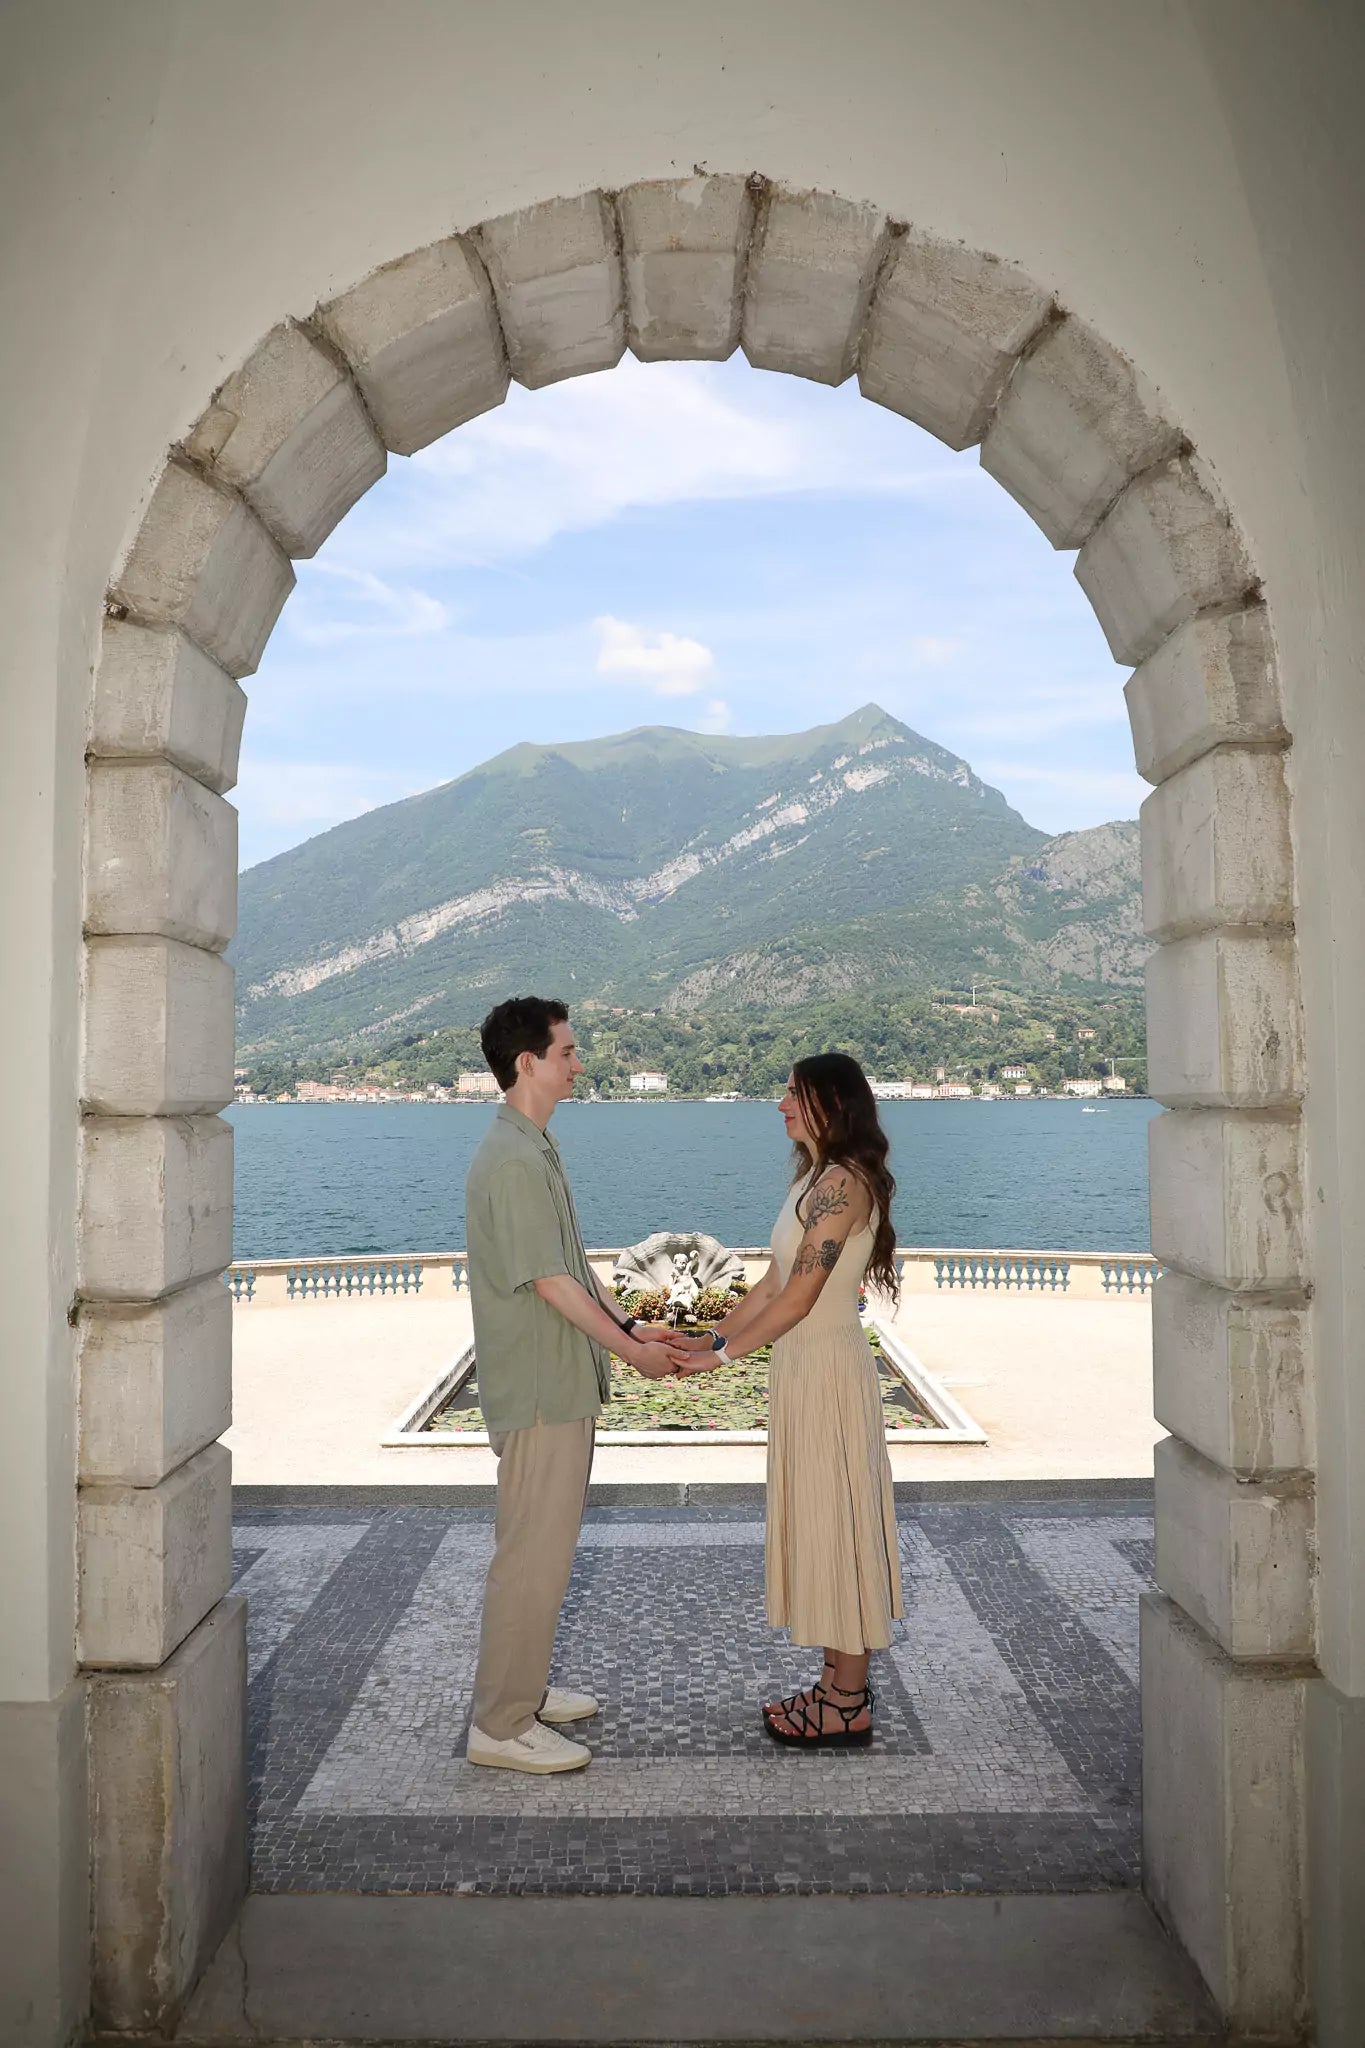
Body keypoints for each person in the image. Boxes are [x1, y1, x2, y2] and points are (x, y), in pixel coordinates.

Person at [464, 995, 696, 1775]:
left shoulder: (532, 1148)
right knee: (530, 1556)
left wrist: (631, 1331)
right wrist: (631, 1358)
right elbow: (549, 1287)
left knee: (543, 1553)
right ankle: (500, 1724)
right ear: (526, 1063)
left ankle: (519, 1691)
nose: (577, 1063)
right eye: (566, 1052)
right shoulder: (514, 1160)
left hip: (557, 1380)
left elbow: (574, 1272)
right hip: (539, 1389)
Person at [678, 1052, 903, 1744]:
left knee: (841, 1523)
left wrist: (721, 1355)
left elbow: (804, 1295)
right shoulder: (814, 1180)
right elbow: (775, 1285)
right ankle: (837, 1686)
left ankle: (847, 1700)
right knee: (824, 1519)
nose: (778, 1105)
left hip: (828, 1372)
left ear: (828, 1106)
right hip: (804, 1369)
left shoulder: (842, 1183)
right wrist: (708, 1340)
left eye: (790, 1094)